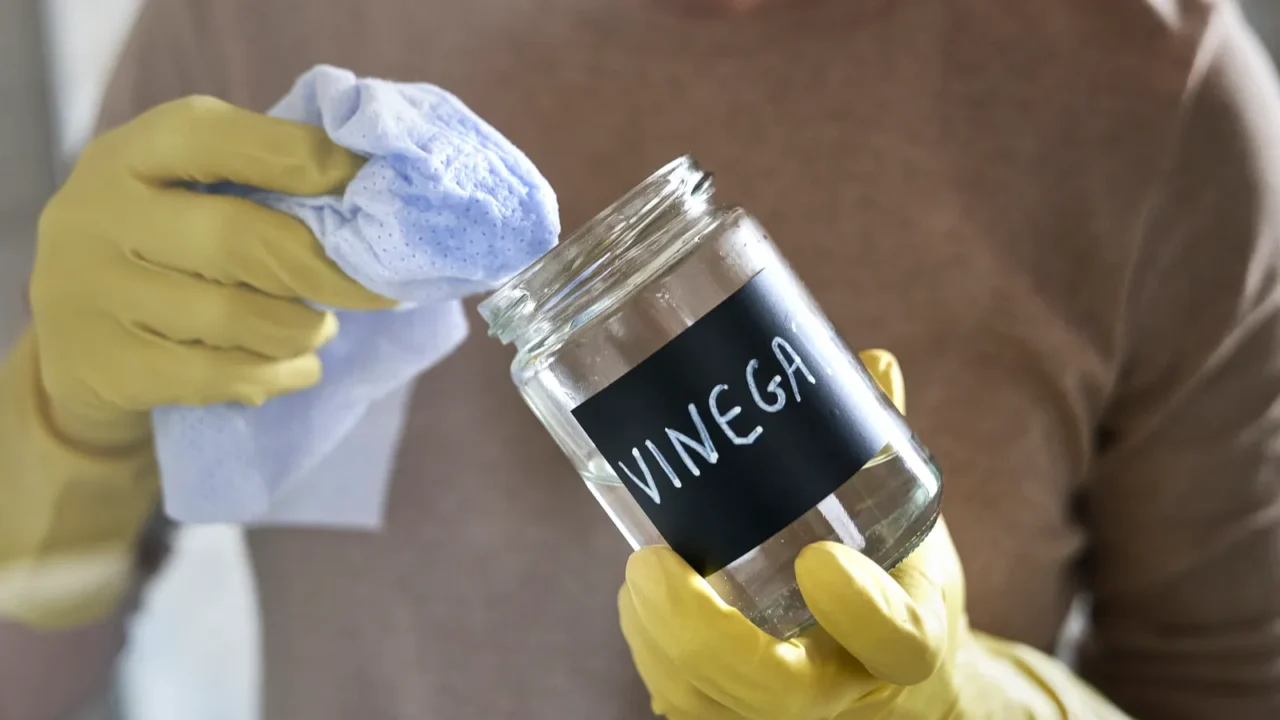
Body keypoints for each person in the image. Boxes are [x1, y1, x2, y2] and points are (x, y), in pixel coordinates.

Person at [4, 0, 1280, 717]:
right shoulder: (253, 25)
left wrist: (965, 706)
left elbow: (1223, 689)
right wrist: (62, 429)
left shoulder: (1155, 94)